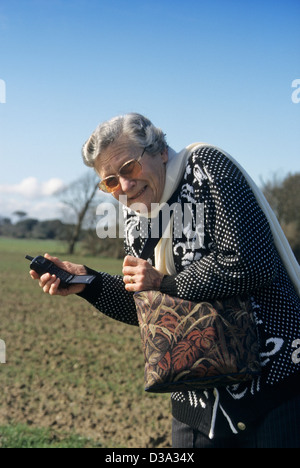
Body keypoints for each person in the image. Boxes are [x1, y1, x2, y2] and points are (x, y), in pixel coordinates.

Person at [30, 113, 300, 448]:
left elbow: (249, 264)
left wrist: (166, 284)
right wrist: (88, 282)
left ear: (159, 152)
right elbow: (153, 310)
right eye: (110, 181)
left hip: (273, 387)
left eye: (129, 168)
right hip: (196, 400)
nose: (124, 187)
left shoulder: (206, 165)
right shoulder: (135, 218)